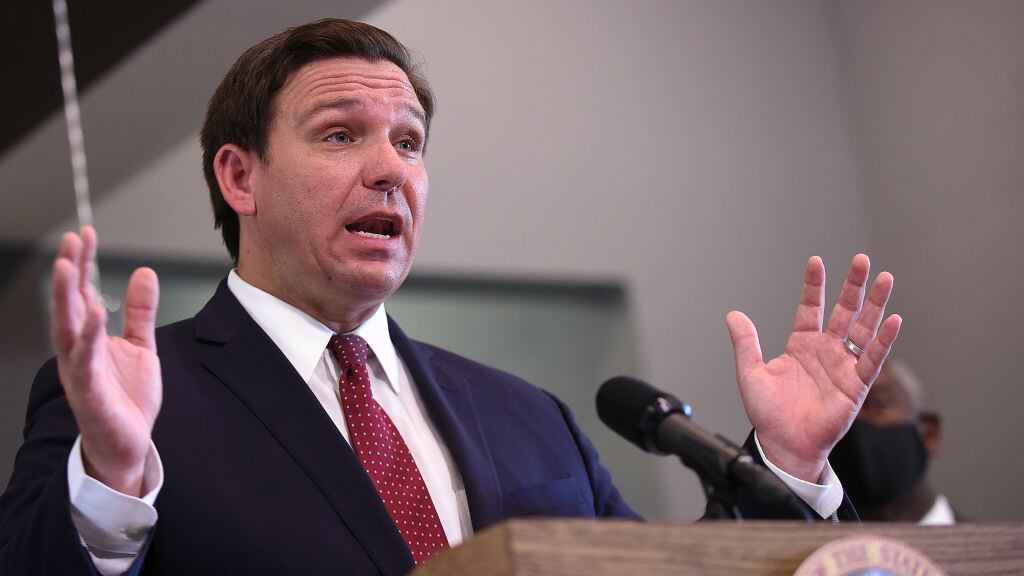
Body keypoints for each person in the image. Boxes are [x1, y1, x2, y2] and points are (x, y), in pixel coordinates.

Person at [0, 18, 901, 576]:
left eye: (409, 141)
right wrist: (111, 484)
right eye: (340, 134)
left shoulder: (531, 416)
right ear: (240, 176)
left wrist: (787, 467)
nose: (390, 169)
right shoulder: (132, 400)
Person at [830, 359, 956, 524]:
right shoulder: (805, 540)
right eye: (839, 410)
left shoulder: (983, 540)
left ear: (929, 434)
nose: (853, 419)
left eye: (878, 404)